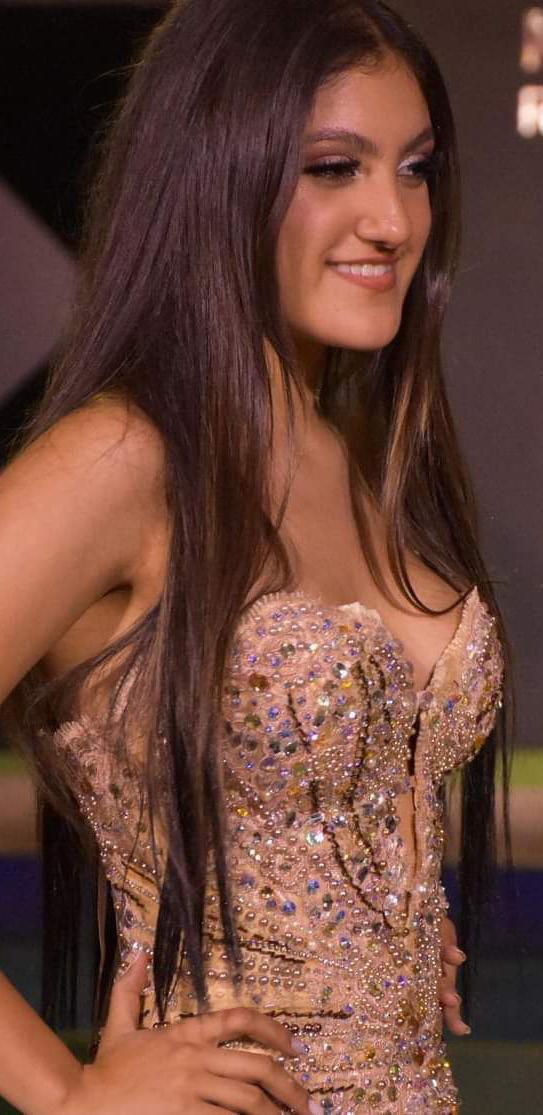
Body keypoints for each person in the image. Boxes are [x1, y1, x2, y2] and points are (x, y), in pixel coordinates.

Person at [0, 1, 509, 1112]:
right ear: (214, 177)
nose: (394, 219)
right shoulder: (125, 461)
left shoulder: (358, 456)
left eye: (416, 168)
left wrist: (382, 925)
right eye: (334, 167)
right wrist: (64, 1092)